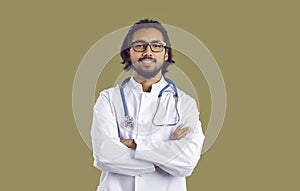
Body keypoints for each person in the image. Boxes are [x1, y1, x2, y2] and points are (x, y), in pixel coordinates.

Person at [91, 19, 205, 191]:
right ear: (128, 53)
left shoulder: (184, 103)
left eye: (156, 45)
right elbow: (105, 156)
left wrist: (135, 145)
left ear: (165, 54)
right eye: (139, 45)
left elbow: (187, 162)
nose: (148, 52)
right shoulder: (108, 98)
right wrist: (165, 158)